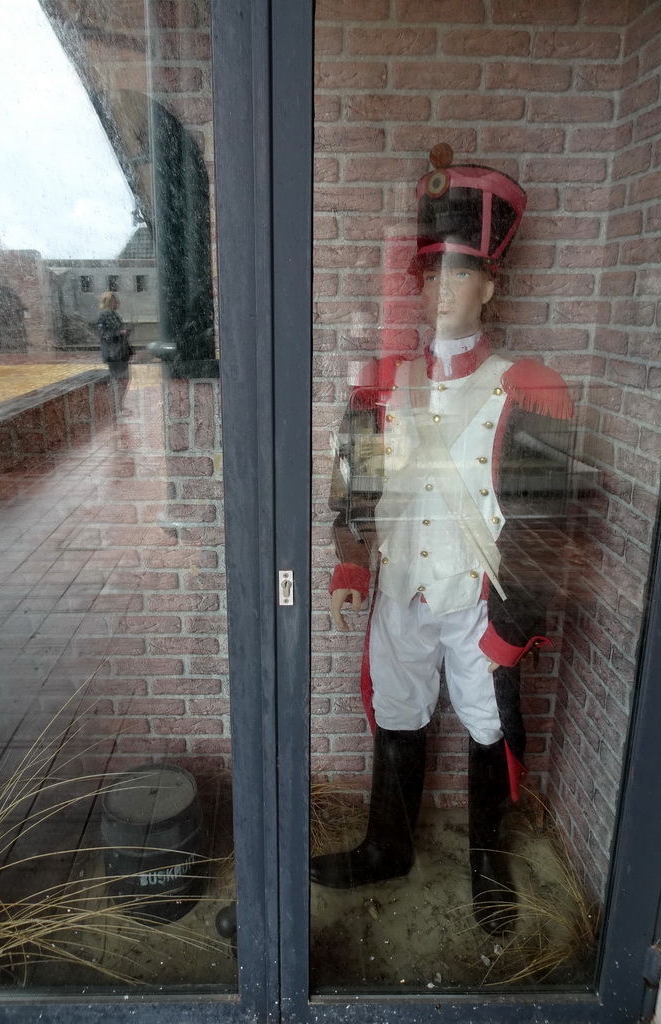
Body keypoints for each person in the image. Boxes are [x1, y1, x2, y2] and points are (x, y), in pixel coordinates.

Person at [310, 147, 574, 935]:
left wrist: (511, 625)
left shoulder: (532, 388)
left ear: (491, 284)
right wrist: (352, 561)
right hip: (399, 593)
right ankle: (387, 846)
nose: (442, 292)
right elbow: (354, 484)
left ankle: (487, 864)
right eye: (432, 276)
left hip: (476, 600)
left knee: (488, 725)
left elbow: (546, 522)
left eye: (460, 275)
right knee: (397, 711)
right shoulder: (381, 382)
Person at [97, 291, 133, 414]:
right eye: (115, 300)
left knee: (122, 379)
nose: (118, 302)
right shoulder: (105, 315)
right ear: (110, 301)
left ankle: (118, 406)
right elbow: (104, 335)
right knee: (119, 379)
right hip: (114, 354)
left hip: (119, 354)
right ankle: (116, 407)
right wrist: (120, 333)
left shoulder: (112, 314)